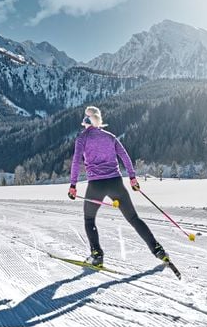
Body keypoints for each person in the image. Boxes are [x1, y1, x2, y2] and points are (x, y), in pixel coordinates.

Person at [68, 106, 168, 267]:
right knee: (133, 218)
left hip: (96, 185)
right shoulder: (110, 137)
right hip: (116, 183)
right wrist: (133, 178)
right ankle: (157, 250)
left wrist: (73, 185)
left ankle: (97, 255)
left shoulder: (82, 138)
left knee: (89, 219)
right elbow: (125, 156)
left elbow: (76, 161)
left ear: (86, 121)